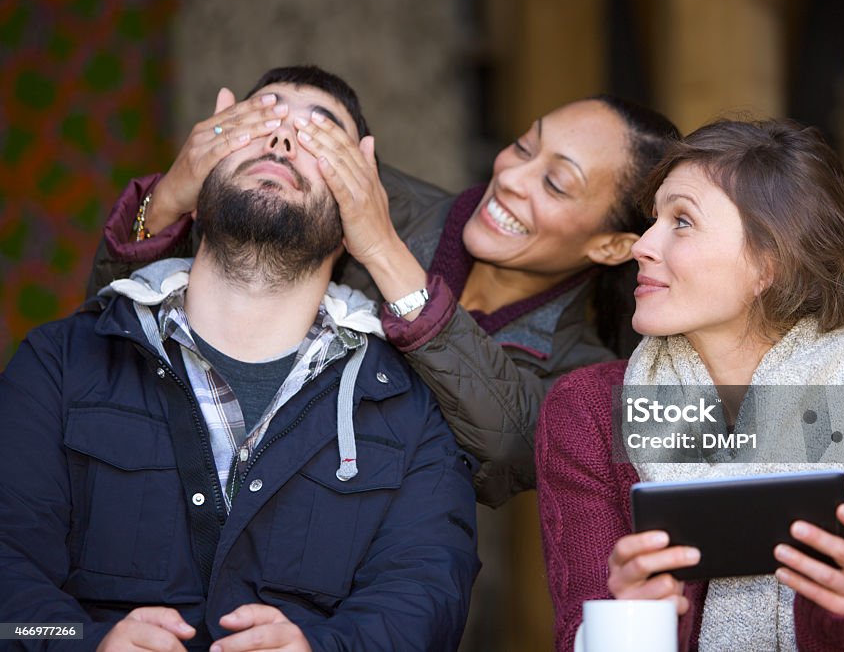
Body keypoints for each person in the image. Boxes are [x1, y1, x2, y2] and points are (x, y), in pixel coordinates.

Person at [0, 66, 479, 651]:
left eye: (318, 135)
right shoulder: (59, 362)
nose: (281, 138)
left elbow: (427, 604)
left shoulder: (408, 412)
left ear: (355, 211)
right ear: (197, 191)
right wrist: (80, 643)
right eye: (260, 119)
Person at [536, 119, 844, 651]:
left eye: (681, 222)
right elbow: (576, 638)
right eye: (653, 219)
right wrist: (629, 621)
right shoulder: (587, 409)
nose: (643, 245)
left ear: (770, 263)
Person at [86, 78, 681, 506]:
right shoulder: (351, 188)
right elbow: (104, 334)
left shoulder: (587, 373)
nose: (511, 176)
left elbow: (506, 455)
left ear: (610, 247)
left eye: (555, 182)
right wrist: (167, 201)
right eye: (525, 146)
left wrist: (382, 251)